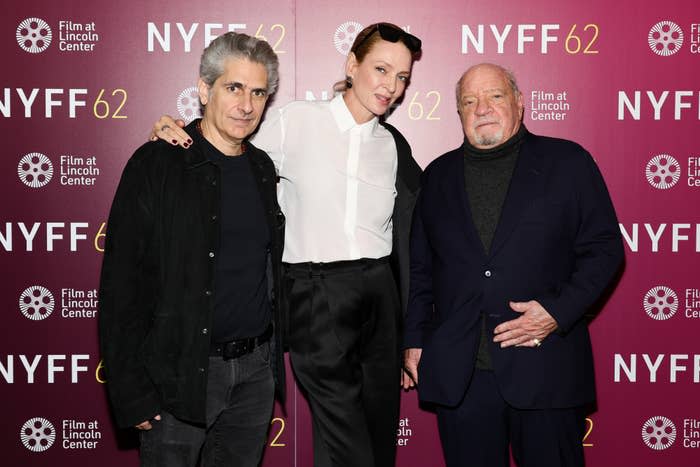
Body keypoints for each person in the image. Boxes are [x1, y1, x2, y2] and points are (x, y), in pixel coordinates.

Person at [150, 22, 422, 467]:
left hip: (380, 296)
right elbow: (226, 145)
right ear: (351, 65)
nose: (391, 86)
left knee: (379, 436)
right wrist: (176, 131)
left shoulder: (393, 144)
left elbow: (420, 224)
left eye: (403, 77)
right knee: (345, 444)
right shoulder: (296, 120)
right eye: (380, 69)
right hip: (317, 294)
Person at [401, 63, 624, 467]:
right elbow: (421, 268)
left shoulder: (568, 162)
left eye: (495, 96)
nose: (482, 108)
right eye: (469, 101)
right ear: (459, 113)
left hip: (546, 368)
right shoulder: (437, 176)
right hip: (461, 377)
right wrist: (414, 338)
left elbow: (605, 250)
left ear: (519, 104)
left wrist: (556, 312)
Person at [98, 32, 285, 467]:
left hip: (254, 373)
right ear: (204, 89)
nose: (246, 105)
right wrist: (130, 391)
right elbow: (120, 284)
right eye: (233, 87)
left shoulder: (262, 168)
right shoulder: (156, 164)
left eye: (258, 92)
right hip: (178, 374)